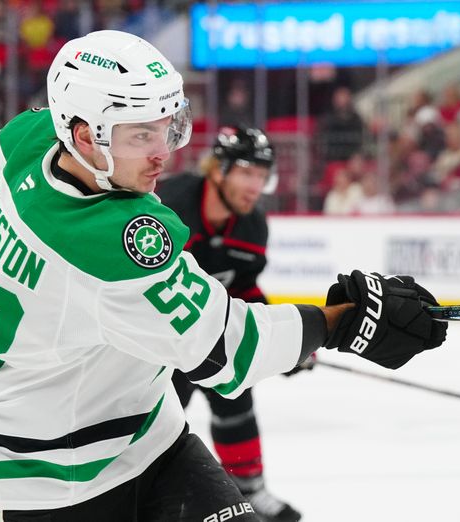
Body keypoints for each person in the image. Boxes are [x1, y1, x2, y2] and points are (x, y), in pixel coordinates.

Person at [0, 30, 448, 522]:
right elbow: (229, 351)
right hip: (38, 471)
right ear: (85, 135)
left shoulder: (26, 136)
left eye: (167, 126)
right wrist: (341, 323)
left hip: (144, 434)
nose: (163, 151)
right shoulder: (111, 245)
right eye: (141, 134)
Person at [158, 126, 302, 522]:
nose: (255, 186)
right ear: (218, 170)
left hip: (209, 334)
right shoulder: (169, 208)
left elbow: (244, 288)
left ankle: (251, 491)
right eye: (246, 172)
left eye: (262, 175)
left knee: (236, 392)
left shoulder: (252, 226)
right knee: (161, 420)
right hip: (158, 343)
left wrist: (286, 343)